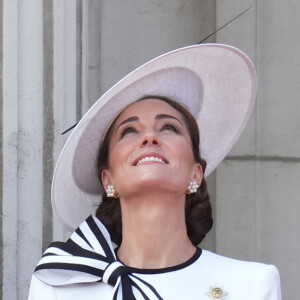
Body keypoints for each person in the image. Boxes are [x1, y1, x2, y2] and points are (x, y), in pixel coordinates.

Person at [28, 44, 282, 299]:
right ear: (108, 180)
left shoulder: (251, 284)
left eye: (169, 128)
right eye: (129, 131)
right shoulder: (58, 286)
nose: (149, 137)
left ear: (196, 173)